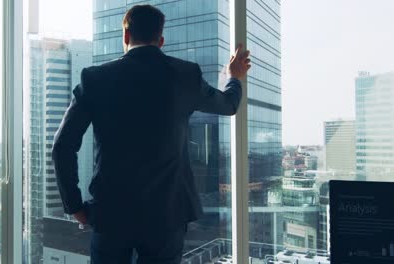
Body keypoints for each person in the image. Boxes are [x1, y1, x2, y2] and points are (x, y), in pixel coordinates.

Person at [52, 4, 251, 264]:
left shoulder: (95, 79)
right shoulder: (186, 75)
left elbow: (62, 146)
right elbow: (228, 105)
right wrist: (233, 76)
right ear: (161, 40)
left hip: (111, 214)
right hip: (167, 214)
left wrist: (74, 205)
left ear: (125, 36)